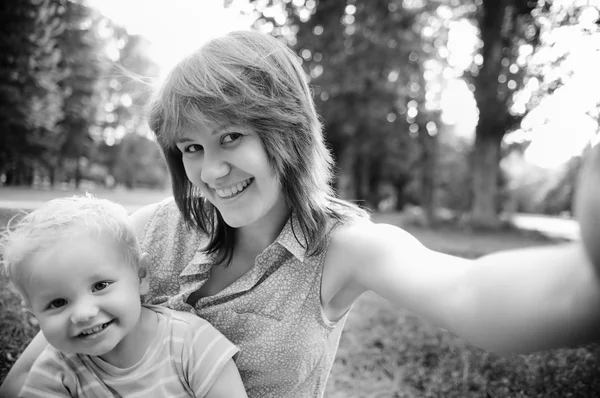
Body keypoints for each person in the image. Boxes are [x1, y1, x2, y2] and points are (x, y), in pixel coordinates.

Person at [2, 30, 600, 398]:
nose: (211, 171)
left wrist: (586, 280)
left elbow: (470, 292)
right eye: (192, 148)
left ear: (284, 130)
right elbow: (32, 369)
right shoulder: (150, 231)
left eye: (231, 136)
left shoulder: (342, 248)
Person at [0, 195, 247, 398]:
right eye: (58, 303)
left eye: (100, 286)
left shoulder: (192, 343)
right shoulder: (56, 369)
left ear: (140, 276)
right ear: (34, 312)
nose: (84, 313)